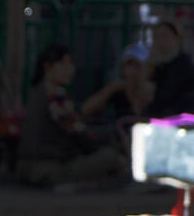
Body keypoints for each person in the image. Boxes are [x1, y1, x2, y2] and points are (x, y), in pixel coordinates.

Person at [16, 44, 126, 187]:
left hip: (28, 168)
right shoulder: (55, 95)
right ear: (47, 67)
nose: (69, 69)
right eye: (63, 64)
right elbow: (80, 136)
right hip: (50, 169)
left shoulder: (36, 92)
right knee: (110, 157)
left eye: (71, 64)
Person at [145, 21, 194, 118]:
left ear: (177, 39)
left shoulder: (183, 66)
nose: (161, 42)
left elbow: (166, 97)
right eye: (157, 37)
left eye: (165, 36)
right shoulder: (160, 65)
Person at [80, 42, 153, 121]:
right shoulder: (118, 91)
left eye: (138, 65)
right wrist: (111, 89)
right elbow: (86, 109)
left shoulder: (155, 91)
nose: (133, 71)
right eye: (129, 65)